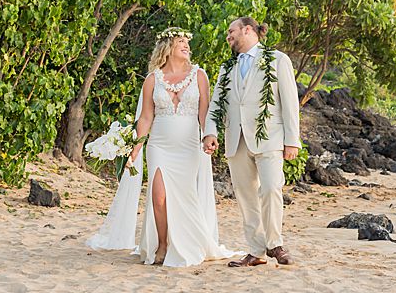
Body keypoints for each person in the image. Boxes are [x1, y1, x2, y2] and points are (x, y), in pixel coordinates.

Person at [85, 27, 235, 267]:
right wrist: (136, 145)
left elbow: (205, 112)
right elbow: (145, 117)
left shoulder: (199, 75)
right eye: (181, 42)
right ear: (167, 47)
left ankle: (187, 243)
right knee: (159, 197)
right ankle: (163, 244)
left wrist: (209, 135)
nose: (186, 45)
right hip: (159, 146)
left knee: (186, 196)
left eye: (187, 41)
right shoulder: (153, 79)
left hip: (188, 147)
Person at [203, 16, 302, 268]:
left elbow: (290, 103)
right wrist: (210, 132)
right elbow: (217, 104)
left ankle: (276, 244)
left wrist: (292, 140)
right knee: (246, 196)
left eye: (231, 30)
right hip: (236, 140)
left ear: (247, 30)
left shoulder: (278, 60)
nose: (228, 36)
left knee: (271, 188)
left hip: (269, 137)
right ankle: (256, 251)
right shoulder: (228, 68)